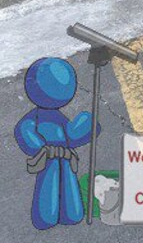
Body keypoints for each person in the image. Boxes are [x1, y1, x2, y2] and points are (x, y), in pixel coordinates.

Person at [14, 58, 98, 230]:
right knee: (49, 184)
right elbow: (26, 129)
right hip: (49, 158)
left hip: (64, 157)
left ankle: (71, 213)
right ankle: (47, 217)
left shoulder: (58, 118)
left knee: (68, 184)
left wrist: (86, 124)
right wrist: (39, 146)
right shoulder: (36, 117)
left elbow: (70, 133)